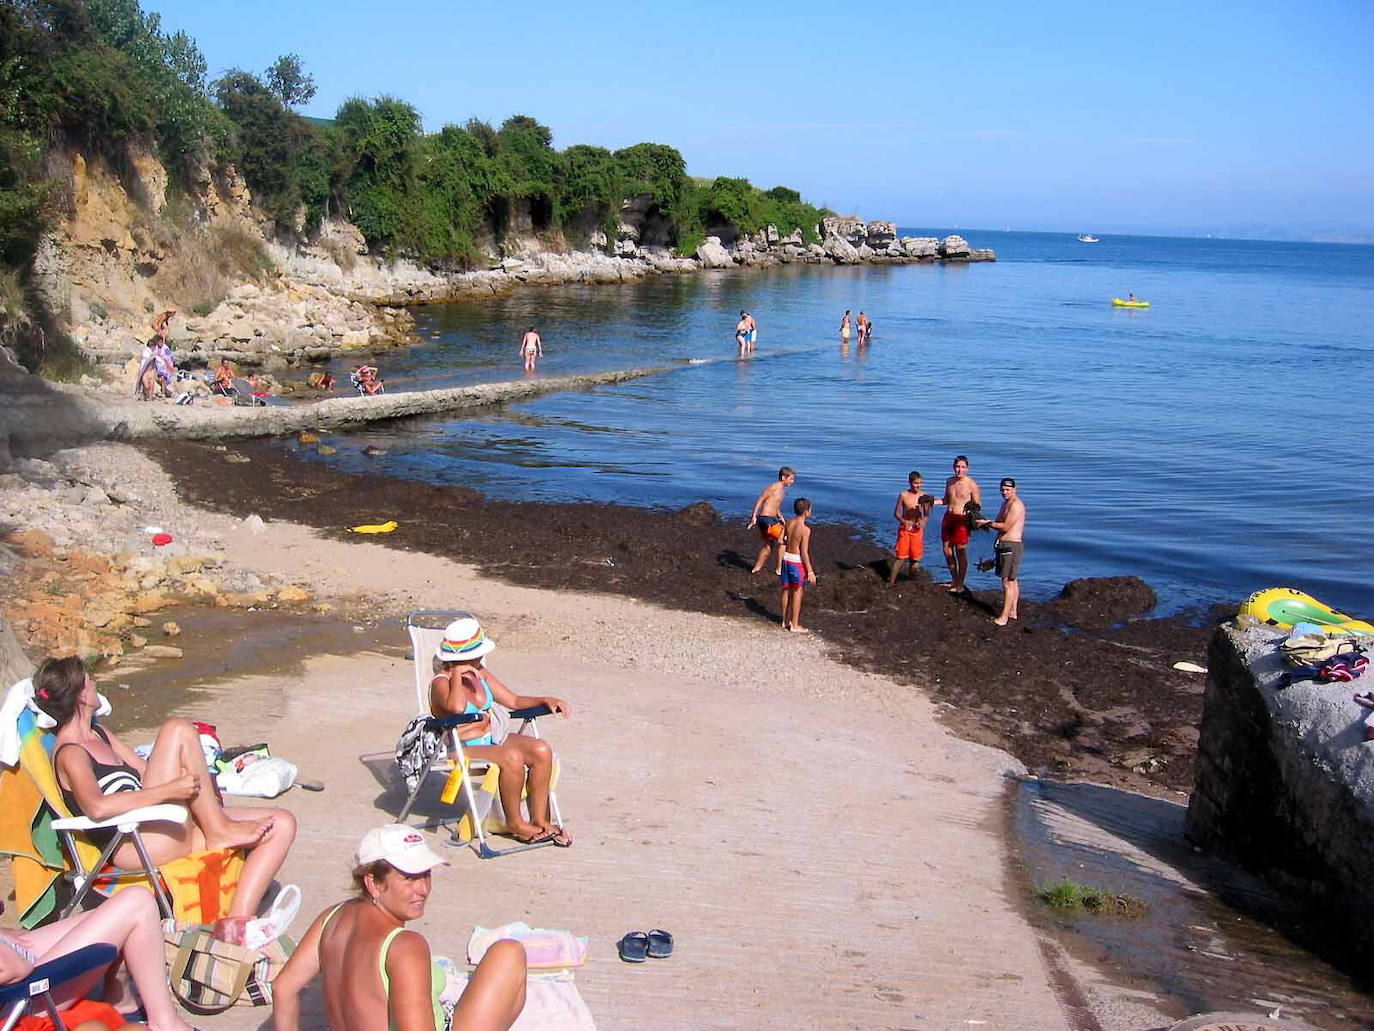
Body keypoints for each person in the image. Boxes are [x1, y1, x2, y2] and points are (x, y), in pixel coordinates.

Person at [38, 655, 298, 943]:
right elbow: (96, 806)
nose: (95, 682)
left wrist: (194, 779)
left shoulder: (101, 734)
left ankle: (234, 928)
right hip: (132, 843)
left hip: (161, 827)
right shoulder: (71, 752)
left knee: (281, 823)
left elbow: (148, 772)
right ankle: (218, 830)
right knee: (176, 728)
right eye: (89, 680)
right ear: (80, 696)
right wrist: (168, 791)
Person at [272, 825, 526, 1031]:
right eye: (409, 878)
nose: (423, 889)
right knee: (509, 953)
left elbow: (283, 987)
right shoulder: (404, 946)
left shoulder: (332, 917)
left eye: (426, 874)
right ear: (373, 883)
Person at [428, 617, 572, 847]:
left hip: (491, 739)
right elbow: (456, 708)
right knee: (512, 756)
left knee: (541, 749)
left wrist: (545, 699)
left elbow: (513, 700)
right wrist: (456, 672)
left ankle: (540, 820)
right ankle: (515, 823)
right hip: (460, 747)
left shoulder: (480, 673)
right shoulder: (440, 682)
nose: (481, 658)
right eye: (478, 654)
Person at [1, 887, 194, 1031]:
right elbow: (17, 968)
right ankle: (164, 1022)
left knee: (120, 915)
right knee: (137, 904)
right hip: (24, 997)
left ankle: (122, 1002)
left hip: (18, 963)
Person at [979, 478, 1026, 626]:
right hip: (1003, 544)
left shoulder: (1016, 506)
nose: (1004, 492)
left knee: (1007, 581)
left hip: (1012, 545)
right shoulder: (1005, 503)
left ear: (1014, 489)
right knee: (1013, 580)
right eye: (1002, 490)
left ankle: (1004, 617)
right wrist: (988, 523)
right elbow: (999, 522)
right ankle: (1012, 612)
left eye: (1007, 490)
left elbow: (1005, 527)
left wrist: (987, 523)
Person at [887, 471, 938, 585]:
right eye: (915, 483)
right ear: (910, 482)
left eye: (920, 483)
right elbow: (896, 513)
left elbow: (927, 514)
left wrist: (923, 522)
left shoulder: (924, 497)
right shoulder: (904, 495)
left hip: (917, 530)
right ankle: (891, 582)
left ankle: (911, 580)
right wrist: (904, 521)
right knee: (901, 557)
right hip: (905, 529)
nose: (918, 485)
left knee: (915, 559)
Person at [940, 455, 982, 594]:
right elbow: (946, 500)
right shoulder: (949, 481)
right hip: (948, 516)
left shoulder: (972, 484)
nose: (960, 470)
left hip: (962, 519)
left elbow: (977, 505)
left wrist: (973, 518)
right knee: (947, 549)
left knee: (961, 551)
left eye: (963, 467)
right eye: (958, 466)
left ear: (967, 469)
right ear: (954, 467)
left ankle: (960, 584)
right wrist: (929, 501)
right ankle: (954, 579)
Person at [776, 498, 816, 632]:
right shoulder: (805, 529)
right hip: (795, 561)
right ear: (806, 512)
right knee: (798, 592)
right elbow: (804, 553)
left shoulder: (789, 523)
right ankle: (794, 624)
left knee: (786, 590)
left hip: (786, 559)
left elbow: (781, 539)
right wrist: (810, 572)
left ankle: (784, 620)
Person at [747, 466, 795, 574]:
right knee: (783, 541)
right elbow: (761, 499)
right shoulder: (773, 487)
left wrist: (780, 516)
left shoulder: (781, 490)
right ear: (783, 477)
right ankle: (779, 569)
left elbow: (775, 505)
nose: (792, 482)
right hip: (766, 519)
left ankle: (756, 568)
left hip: (770, 519)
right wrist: (754, 517)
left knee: (768, 546)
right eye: (791, 479)